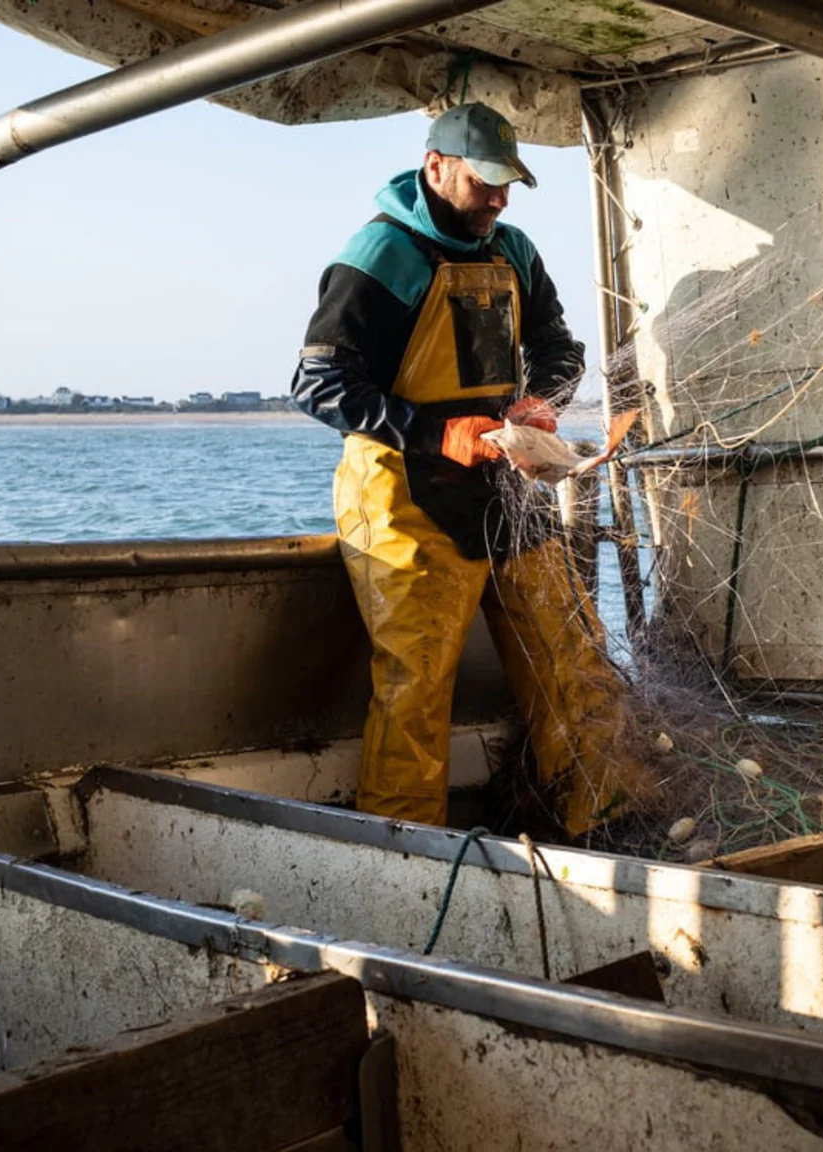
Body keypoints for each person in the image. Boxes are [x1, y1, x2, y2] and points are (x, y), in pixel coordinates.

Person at [290, 102, 649, 838]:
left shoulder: (512, 248)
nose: (498, 198)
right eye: (484, 181)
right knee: (416, 689)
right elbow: (319, 386)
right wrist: (434, 432)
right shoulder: (379, 257)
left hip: (506, 487)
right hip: (405, 499)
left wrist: (543, 402)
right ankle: (405, 852)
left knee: (573, 655)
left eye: (508, 183)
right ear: (435, 167)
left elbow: (559, 347)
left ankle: (606, 823)